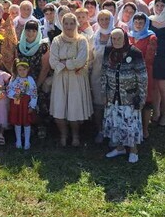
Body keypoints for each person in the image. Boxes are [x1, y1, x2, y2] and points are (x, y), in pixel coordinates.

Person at [102, 29, 147, 163]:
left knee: (130, 123)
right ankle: (120, 147)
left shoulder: (135, 53)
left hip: (129, 97)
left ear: (125, 38)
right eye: (113, 39)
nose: (116, 42)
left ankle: (133, 150)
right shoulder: (108, 51)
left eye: (119, 39)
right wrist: (103, 93)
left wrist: (142, 96)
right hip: (112, 96)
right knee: (116, 121)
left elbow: (143, 77)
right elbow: (104, 71)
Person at [49, 12, 93, 147]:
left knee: (75, 109)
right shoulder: (56, 40)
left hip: (76, 79)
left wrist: (64, 63)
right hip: (60, 79)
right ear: (62, 24)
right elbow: (52, 61)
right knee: (59, 109)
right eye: (66, 23)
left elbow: (81, 60)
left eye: (72, 23)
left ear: (76, 24)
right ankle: (63, 134)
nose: (69, 26)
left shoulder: (82, 40)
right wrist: (69, 64)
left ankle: (75, 135)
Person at [16, 20, 51, 138]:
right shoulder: (19, 46)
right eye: (28, 30)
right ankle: (27, 125)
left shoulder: (43, 47)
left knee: (39, 101)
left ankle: (41, 126)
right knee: (23, 102)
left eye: (34, 30)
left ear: (37, 32)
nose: (31, 33)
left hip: (38, 80)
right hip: (23, 81)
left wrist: (36, 85)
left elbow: (45, 68)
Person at [129, 13, 158, 139]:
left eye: (141, 22)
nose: (138, 25)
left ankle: (145, 129)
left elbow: (149, 57)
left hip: (145, 72)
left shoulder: (151, 37)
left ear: (145, 23)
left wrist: (136, 66)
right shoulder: (129, 35)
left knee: (145, 101)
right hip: (129, 73)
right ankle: (133, 126)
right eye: (136, 22)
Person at [89, 10, 114, 143]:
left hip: (113, 77)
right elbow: (90, 57)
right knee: (98, 105)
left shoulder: (116, 35)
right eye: (101, 19)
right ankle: (100, 130)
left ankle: (112, 132)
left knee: (112, 105)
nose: (104, 22)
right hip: (97, 76)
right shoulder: (94, 37)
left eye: (106, 19)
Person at [8, 61, 38, 150]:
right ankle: (18, 140)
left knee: (26, 121)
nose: (22, 72)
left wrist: (32, 105)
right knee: (17, 121)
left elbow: (34, 93)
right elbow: (9, 90)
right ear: (17, 70)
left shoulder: (30, 79)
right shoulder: (14, 79)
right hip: (16, 103)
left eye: (24, 69)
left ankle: (27, 141)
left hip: (26, 103)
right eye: (20, 70)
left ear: (28, 70)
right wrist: (14, 95)